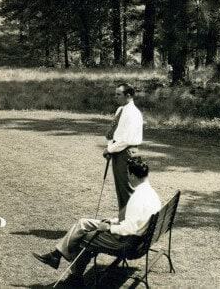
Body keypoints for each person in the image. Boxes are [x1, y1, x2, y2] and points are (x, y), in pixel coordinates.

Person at [33, 156, 161, 285]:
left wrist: (109, 227)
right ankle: (56, 254)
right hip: (140, 240)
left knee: (83, 237)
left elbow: (130, 228)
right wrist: (113, 220)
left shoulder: (138, 198)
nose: (127, 177)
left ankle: (75, 277)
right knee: (83, 223)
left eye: (128, 174)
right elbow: (136, 220)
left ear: (133, 175)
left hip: (128, 243)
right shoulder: (151, 193)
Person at [104, 83, 143, 210]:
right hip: (118, 152)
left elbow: (126, 139)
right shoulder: (120, 110)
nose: (115, 97)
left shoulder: (133, 113)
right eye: (115, 94)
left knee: (127, 189)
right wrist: (110, 147)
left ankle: (133, 224)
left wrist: (110, 149)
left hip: (128, 153)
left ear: (129, 95)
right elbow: (114, 133)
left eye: (118, 94)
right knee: (121, 188)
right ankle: (124, 220)